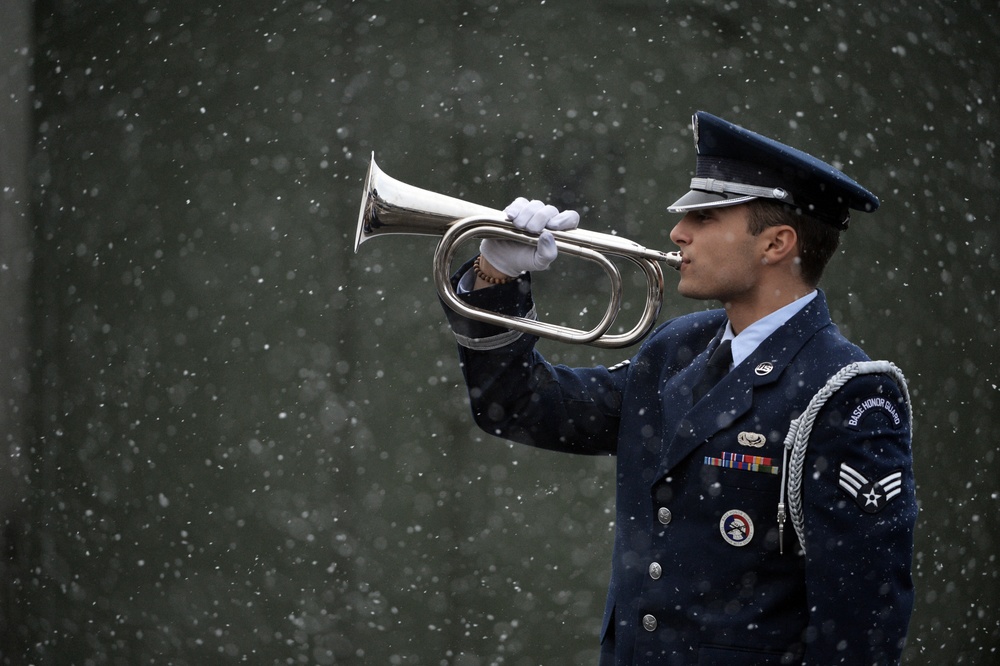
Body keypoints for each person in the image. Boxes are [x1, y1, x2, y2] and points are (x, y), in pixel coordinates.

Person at [441, 111, 916, 665]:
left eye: (706, 217)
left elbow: (860, 630)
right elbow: (520, 406)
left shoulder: (847, 393)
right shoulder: (677, 349)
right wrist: (495, 274)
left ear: (777, 244)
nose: (677, 233)